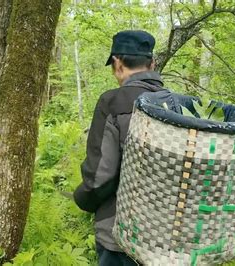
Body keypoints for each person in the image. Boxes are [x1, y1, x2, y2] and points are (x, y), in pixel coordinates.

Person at [73, 30, 165, 266]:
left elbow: (100, 177)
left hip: (120, 237)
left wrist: (82, 198)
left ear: (117, 63)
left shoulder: (112, 103)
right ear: (152, 63)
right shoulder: (175, 106)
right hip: (167, 239)